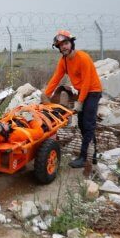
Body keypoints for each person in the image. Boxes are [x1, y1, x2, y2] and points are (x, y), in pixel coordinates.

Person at [42, 30, 102, 168]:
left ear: (71, 43)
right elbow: (56, 78)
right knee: (82, 125)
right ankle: (92, 153)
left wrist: (80, 102)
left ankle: (83, 157)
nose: (64, 47)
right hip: (82, 92)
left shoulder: (83, 58)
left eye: (66, 43)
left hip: (93, 92)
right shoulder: (64, 61)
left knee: (88, 124)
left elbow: (87, 82)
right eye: (60, 45)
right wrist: (46, 95)